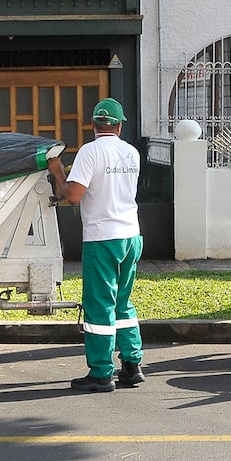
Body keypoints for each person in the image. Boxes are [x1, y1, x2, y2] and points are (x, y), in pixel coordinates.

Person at [46, 97, 144, 393]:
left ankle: (102, 373)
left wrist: (57, 171)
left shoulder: (90, 152)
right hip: (131, 236)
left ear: (93, 124)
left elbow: (73, 196)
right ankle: (132, 364)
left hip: (103, 238)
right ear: (119, 125)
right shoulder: (131, 152)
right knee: (122, 302)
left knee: (100, 306)